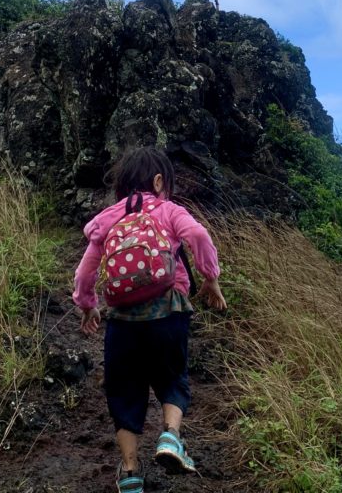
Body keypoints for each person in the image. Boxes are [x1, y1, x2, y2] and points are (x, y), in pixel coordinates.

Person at [73, 147, 227, 493]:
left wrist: (88, 305)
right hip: (168, 312)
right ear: (159, 181)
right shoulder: (168, 209)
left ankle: (130, 473)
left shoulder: (109, 218)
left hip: (123, 321)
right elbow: (199, 236)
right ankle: (170, 438)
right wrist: (210, 278)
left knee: (124, 391)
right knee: (173, 377)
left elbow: (85, 272)